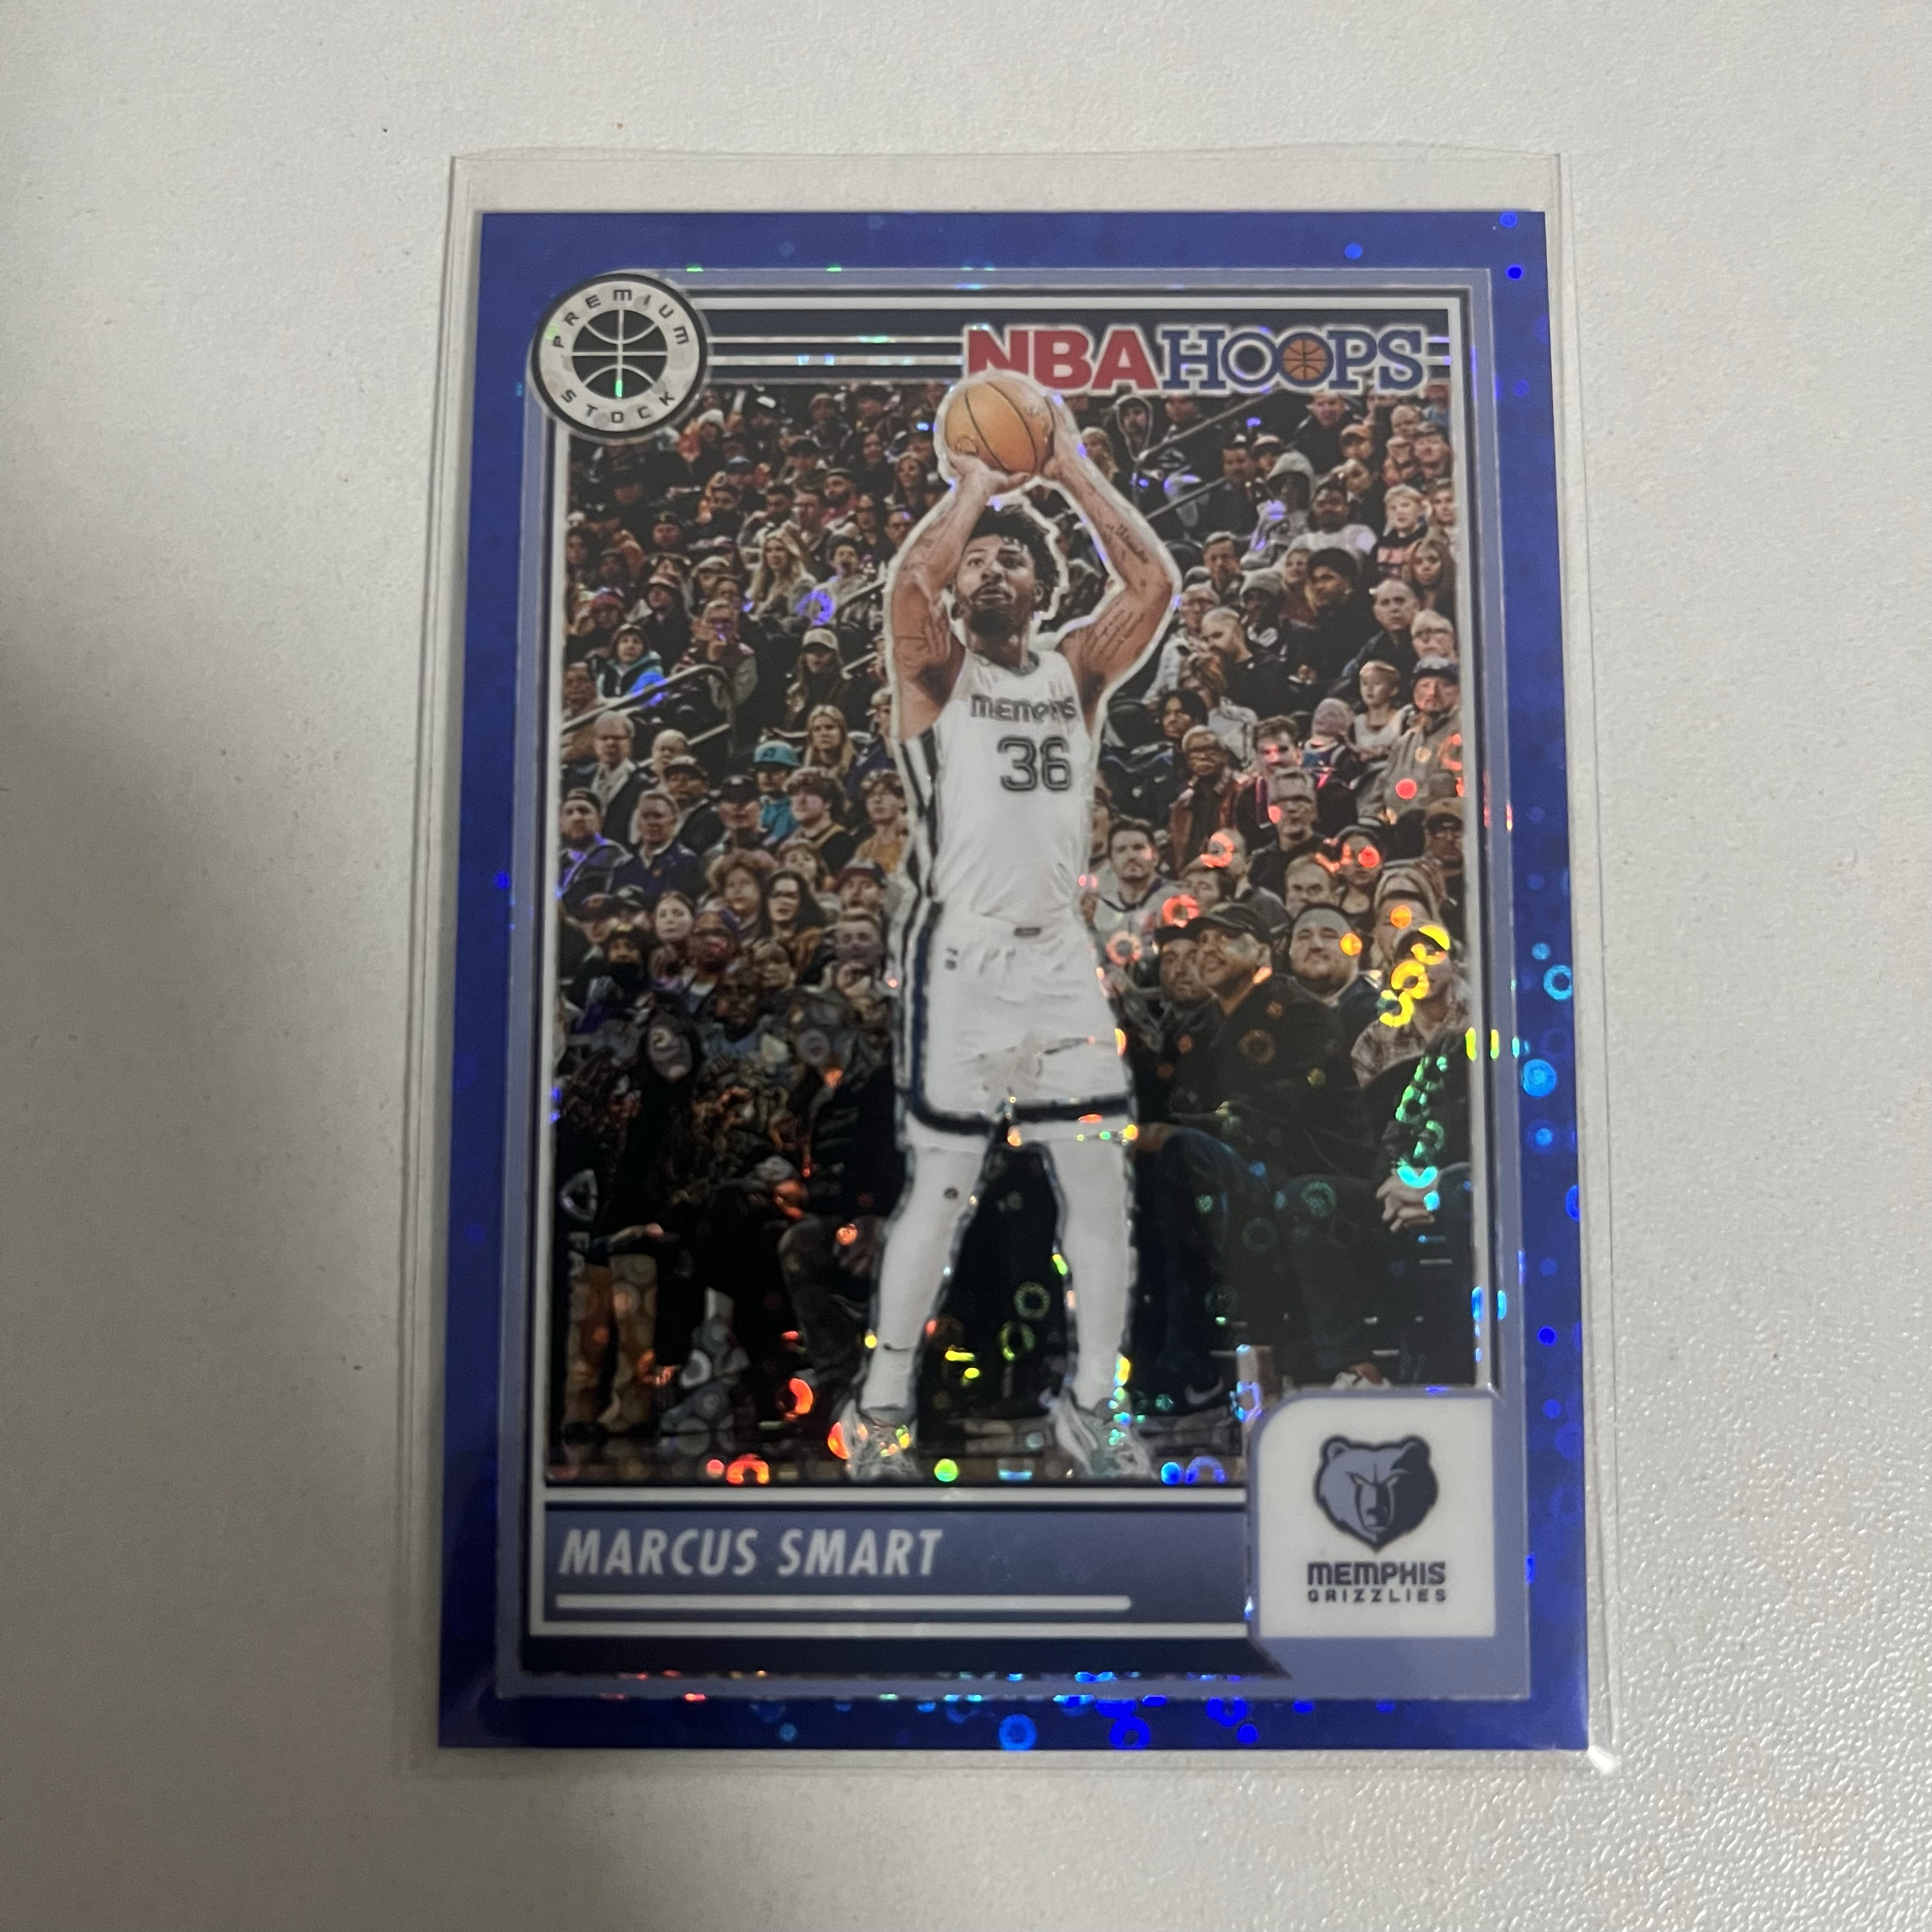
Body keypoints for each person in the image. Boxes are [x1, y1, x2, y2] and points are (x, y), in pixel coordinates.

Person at [842, 374, 1178, 1482]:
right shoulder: (934, 673)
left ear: (1042, 588)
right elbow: (911, 582)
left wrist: (1069, 464)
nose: (991, 569)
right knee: (939, 1192)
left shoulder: (1077, 671)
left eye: (1012, 560)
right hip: (964, 956)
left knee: (1100, 1192)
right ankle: (879, 1412)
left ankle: (1092, 1408)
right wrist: (974, 486)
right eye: (979, 559)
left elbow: (1154, 581)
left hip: (1061, 959)